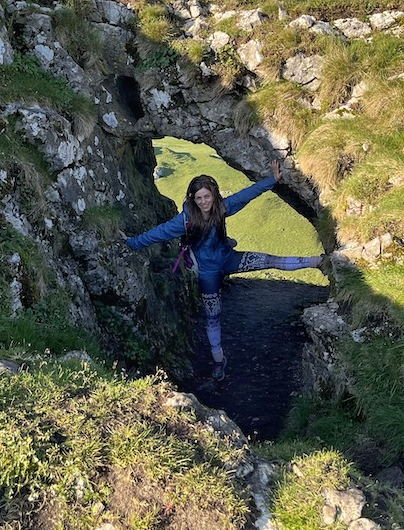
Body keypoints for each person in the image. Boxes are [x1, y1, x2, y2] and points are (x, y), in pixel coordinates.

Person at [121, 160, 324, 381]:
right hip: (208, 275)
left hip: (229, 260)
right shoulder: (186, 219)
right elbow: (158, 233)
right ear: (193, 199)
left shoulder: (221, 208)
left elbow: (246, 195)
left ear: (214, 195)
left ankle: (319, 262)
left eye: (207, 196)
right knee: (213, 317)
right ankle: (219, 362)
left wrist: (272, 180)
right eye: (198, 198)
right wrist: (132, 243)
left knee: (270, 260)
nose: (203, 202)